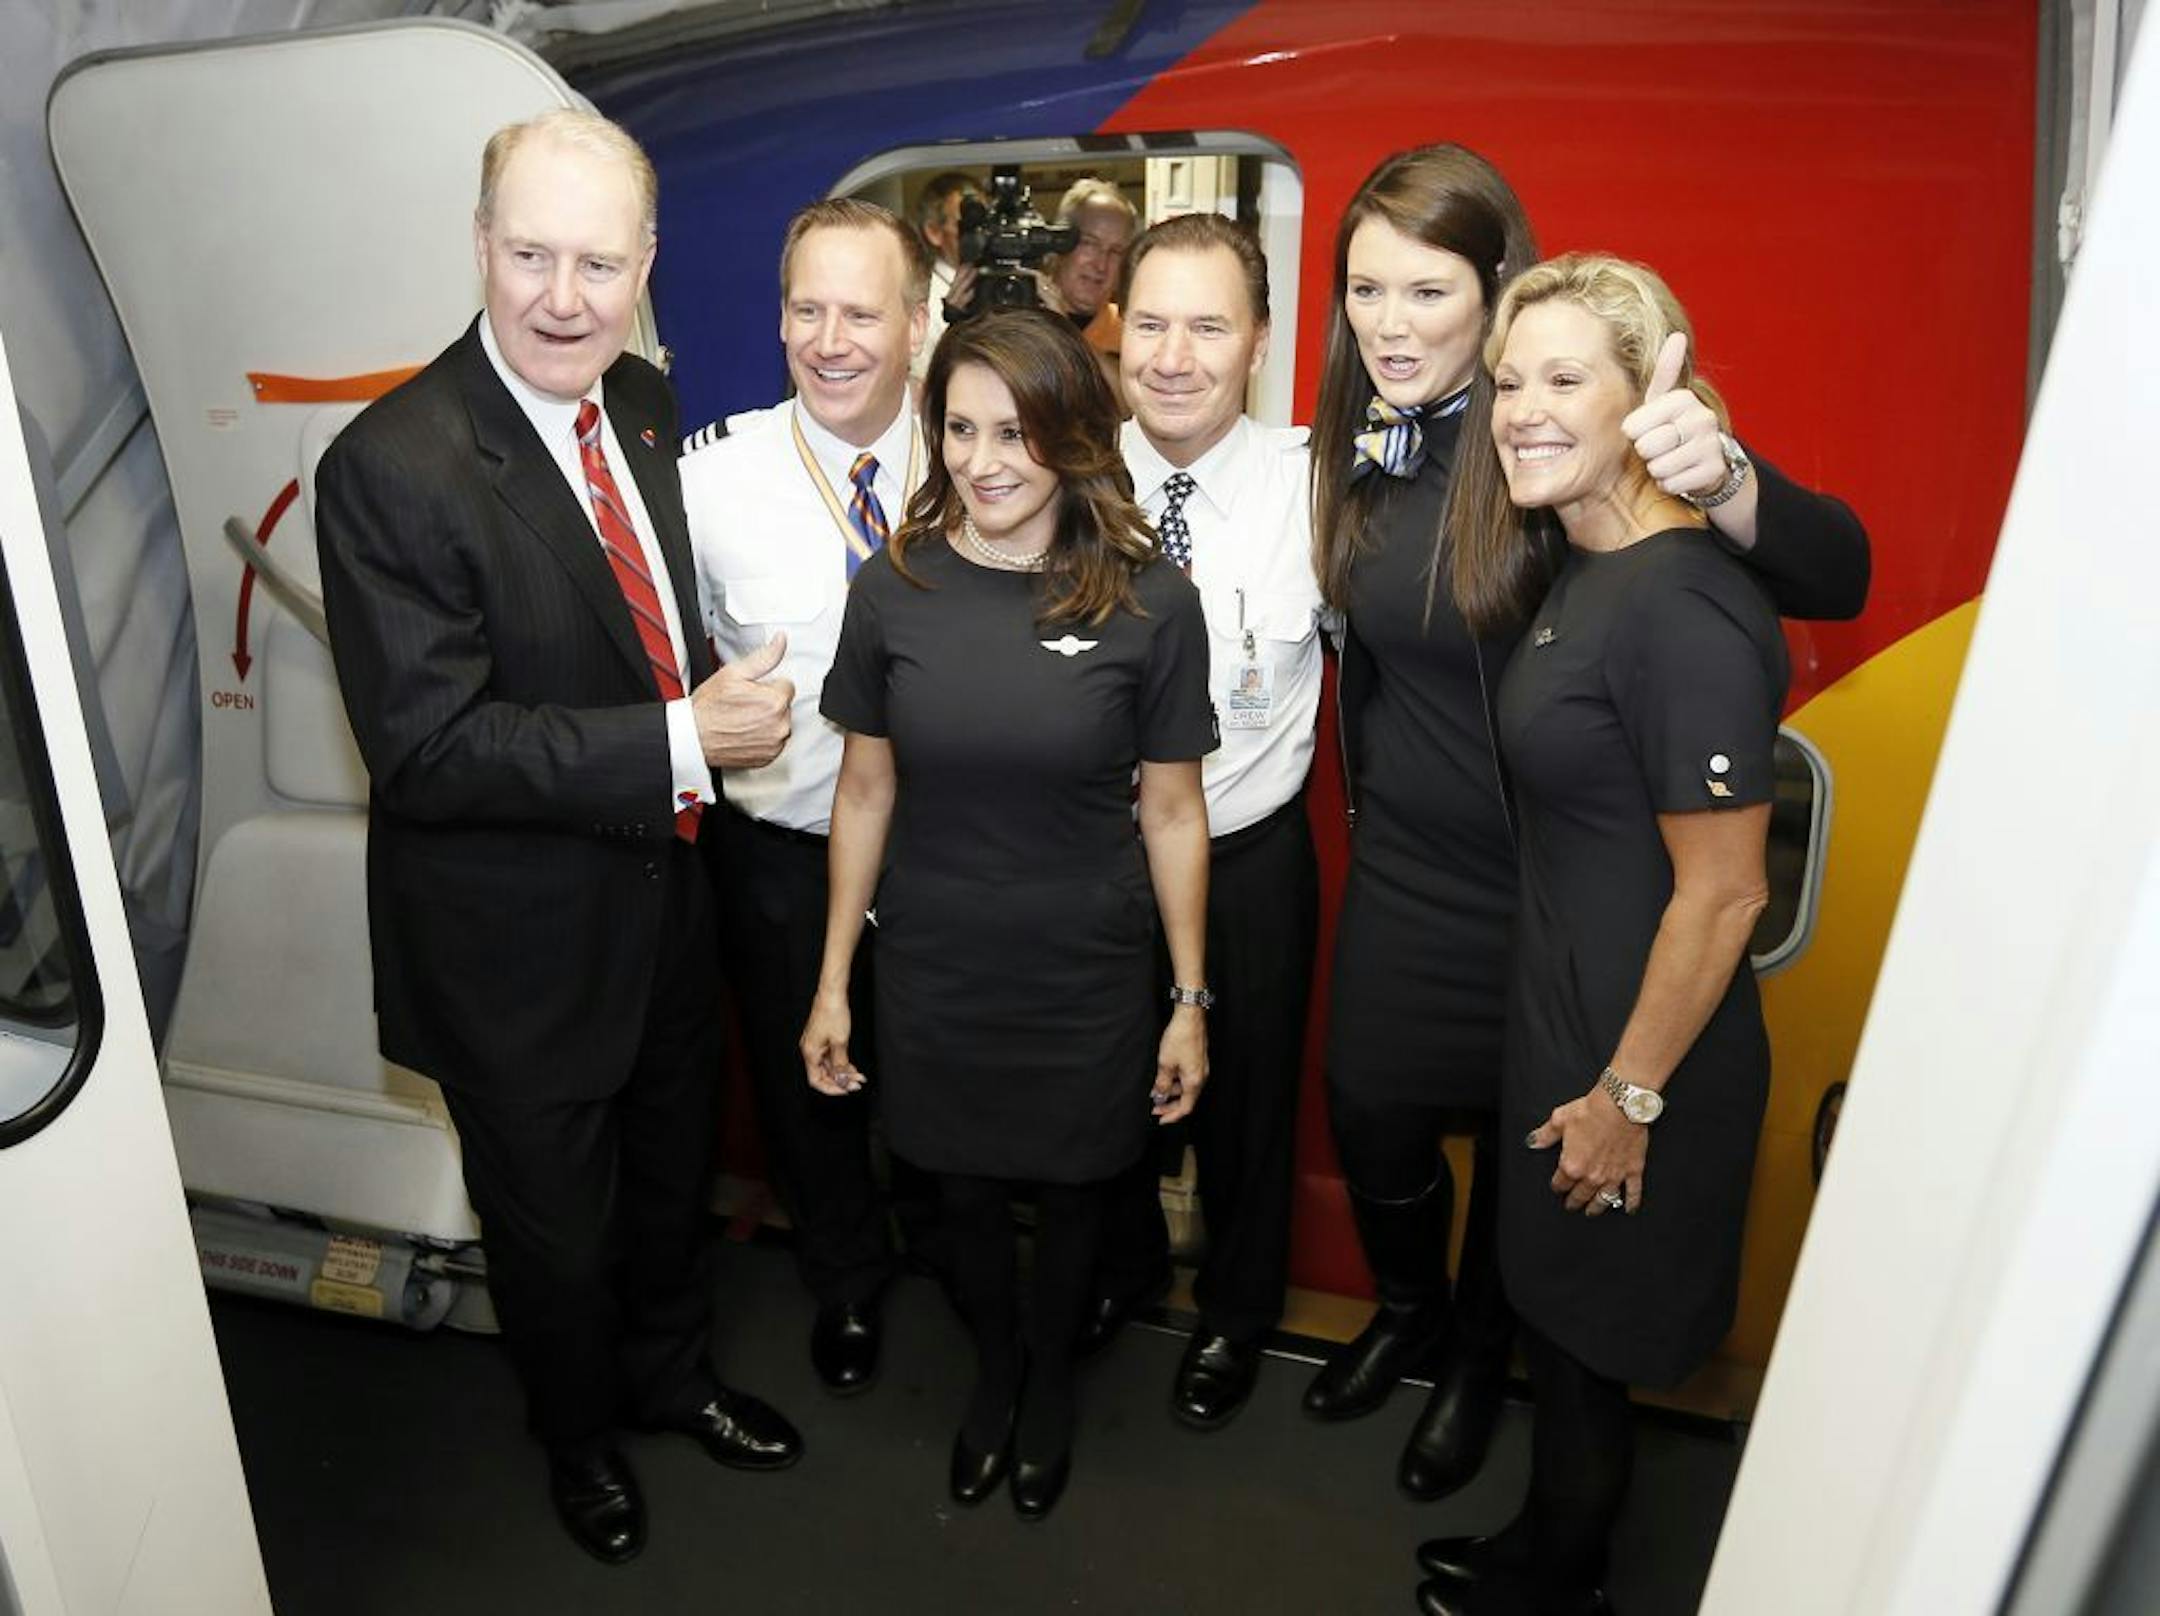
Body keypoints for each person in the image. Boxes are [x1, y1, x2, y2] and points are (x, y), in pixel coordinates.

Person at [1307, 145, 1868, 1506]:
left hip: (1539, 883)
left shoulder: (1558, 447)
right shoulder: (1354, 440)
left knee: (1529, 1153)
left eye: (1426, 291)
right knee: (1372, 1111)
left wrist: (1727, 475)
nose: (1390, 323)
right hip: (1407, 872)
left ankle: (1480, 1355)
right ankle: (1411, 1311)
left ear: (1492, 294)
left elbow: (1832, 572)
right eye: (1364, 289)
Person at [314, 109, 803, 1567]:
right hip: (510, 946)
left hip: (662, 906)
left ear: (645, 264)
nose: (562, 298)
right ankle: (577, 1440)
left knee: (670, 1185)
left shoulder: (641, 403)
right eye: (530, 255)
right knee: (552, 1236)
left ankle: (671, 1378)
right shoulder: (391, 465)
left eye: (598, 262)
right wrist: (682, 740)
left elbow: (625, 623)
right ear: (479, 245)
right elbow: (429, 748)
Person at [1414, 253, 1787, 1616]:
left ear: (1653, 393)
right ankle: (1550, 1552)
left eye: (1565, 378)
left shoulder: (1682, 604)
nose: (1520, 409)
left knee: (1591, 1327)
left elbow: (1728, 893)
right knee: (1564, 1338)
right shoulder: (1588, 560)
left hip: (1644, 1052)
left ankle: (1560, 1583)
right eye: (1510, 381)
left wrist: (1629, 1096)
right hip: (1572, 1013)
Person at [800, 310, 1215, 1520]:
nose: (984, 460)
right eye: (962, 429)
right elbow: (863, 790)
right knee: (961, 1192)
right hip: (935, 965)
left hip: (1084, 970)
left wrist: (1188, 1000)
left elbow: (1177, 816)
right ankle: (998, 1364)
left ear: (1075, 438)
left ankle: (1049, 1387)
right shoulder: (894, 589)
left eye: (1017, 432)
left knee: (1082, 1190)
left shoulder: (1150, 600)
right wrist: (834, 981)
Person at [681, 197, 929, 1395]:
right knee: (808, 1090)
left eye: (862, 312)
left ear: (920, 323)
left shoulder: (986, 449)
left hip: (945, 847)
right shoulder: (710, 480)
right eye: (806, 310)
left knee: (944, 1069)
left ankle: (959, 1252)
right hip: (782, 843)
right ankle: (844, 1280)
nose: (831, 339)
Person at [1083, 213, 1323, 1432]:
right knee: (1102, 1095)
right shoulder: (1064, 484)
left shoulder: (1318, 488)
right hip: (1097, 860)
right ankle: (1121, 1272)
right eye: (1154, 322)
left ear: (1260, 340)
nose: (1174, 357)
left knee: (1248, 1109)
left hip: (1249, 860)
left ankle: (1237, 1313)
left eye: (1210, 326)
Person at [1047, 177, 1139, 407]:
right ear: (1060, 242)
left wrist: (1062, 329)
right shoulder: (1021, 315)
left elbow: (1130, 407)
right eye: (1090, 243)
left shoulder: (1131, 332)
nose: (1101, 265)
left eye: (1116, 252)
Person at [912, 170, 982, 379]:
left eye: (984, 221)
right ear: (934, 232)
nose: (979, 233)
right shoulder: (926, 302)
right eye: (967, 224)